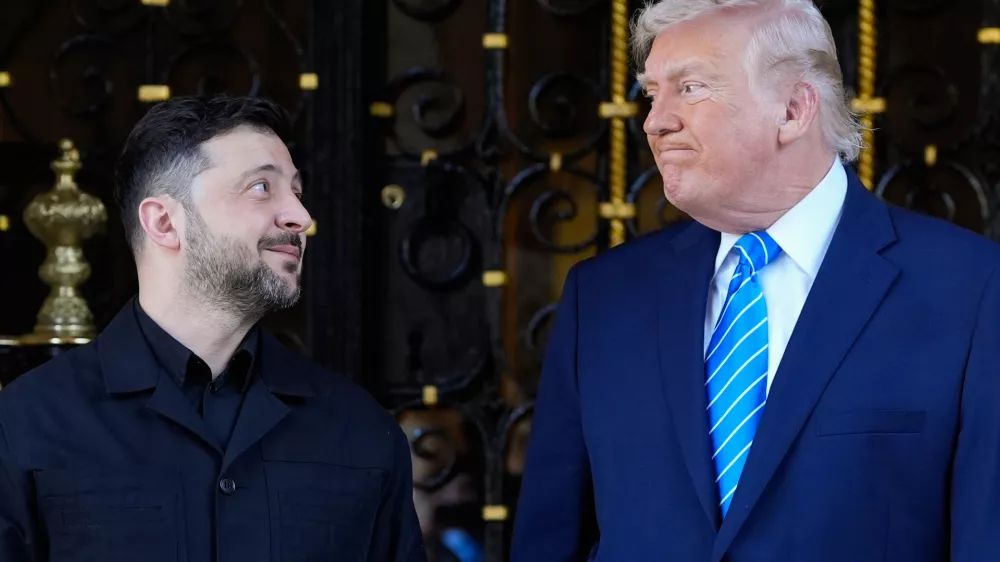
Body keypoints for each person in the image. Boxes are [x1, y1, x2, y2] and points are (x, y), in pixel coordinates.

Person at [510, 0, 1000, 560]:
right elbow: (550, 539)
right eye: (652, 93)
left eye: (690, 88)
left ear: (793, 110)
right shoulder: (601, 298)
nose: (655, 120)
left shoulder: (971, 289)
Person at [0, 95, 427, 562]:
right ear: (164, 222)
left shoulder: (361, 431)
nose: (300, 218)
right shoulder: (26, 425)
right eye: (262, 187)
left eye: (296, 192)